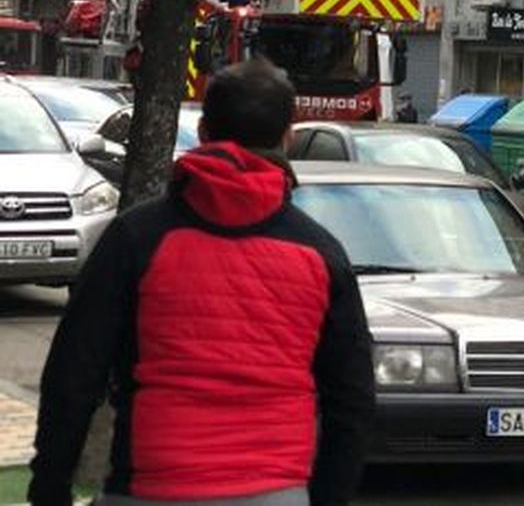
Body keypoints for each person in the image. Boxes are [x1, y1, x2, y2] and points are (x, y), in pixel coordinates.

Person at [30, 59, 375, 506]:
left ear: (206, 133)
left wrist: (50, 487)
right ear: (288, 137)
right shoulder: (320, 253)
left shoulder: (138, 238)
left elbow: (73, 375)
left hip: (152, 484)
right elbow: (352, 400)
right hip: (275, 488)